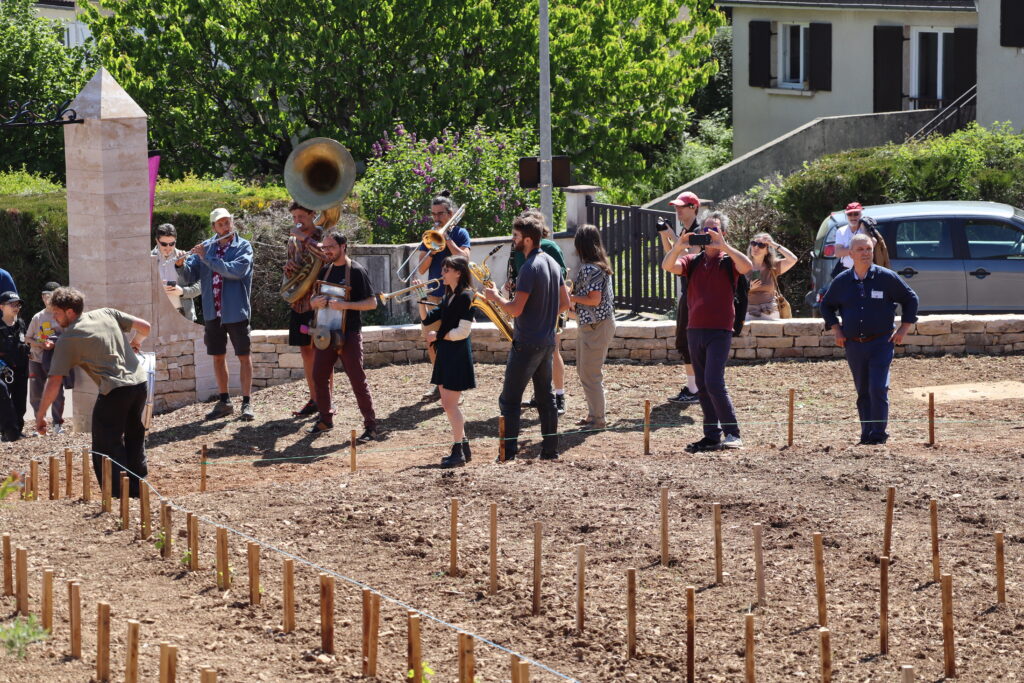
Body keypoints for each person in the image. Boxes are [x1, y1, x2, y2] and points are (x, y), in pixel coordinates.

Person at [35, 287, 151, 497]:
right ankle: (138, 490)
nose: (54, 317)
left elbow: (54, 381)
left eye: (57, 313)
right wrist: (136, 342)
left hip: (115, 391)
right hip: (140, 384)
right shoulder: (106, 313)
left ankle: (119, 495)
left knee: (106, 445)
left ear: (70, 312)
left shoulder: (69, 338)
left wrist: (41, 414)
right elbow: (145, 327)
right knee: (134, 435)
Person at [661, 211, 752, 452]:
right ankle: (712, 436)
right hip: (694, 330)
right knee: (702, 384)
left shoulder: (729, 260)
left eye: (714, 230)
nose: (708, 234)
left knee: (714, 382)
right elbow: (667, 265)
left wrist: (725, 246)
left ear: (723, 233)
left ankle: (733, 433)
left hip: (720, 330)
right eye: (705, 230)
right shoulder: (692, 261)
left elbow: (747, 266)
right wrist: (679, 246)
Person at [484, 212, 570, 461]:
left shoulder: (529, 267)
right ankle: (550, 451)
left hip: (526, 343)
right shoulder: (551, 263)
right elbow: (566, 303)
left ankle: (508, 454)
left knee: (509, 401)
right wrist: (544, 315)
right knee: (546, 398)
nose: (514, 240)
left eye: (516, 236)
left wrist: (495, 298)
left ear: (528, 240)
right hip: (546, 341)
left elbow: (514, 309)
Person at [820, 233, 919, 445]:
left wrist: (904, 328)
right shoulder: (842, 281)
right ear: (851, 254)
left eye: (868, 249)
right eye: (860, 249)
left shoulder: (886, 277)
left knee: (878, 387)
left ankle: (878, 434)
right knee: (863, 390)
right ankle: (866, 433)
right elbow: (826, 305)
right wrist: (836, 329)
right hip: (854, 344)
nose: (865, 253)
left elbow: (910, 299)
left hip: (881, 342)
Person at [180, 208, 255, 421]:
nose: (225, 227)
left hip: (235, 310)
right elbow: (189, 276)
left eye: (227, 222)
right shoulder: (207, 247)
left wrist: (207, 258)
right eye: (220, 224)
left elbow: (235, 271)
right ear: (214, 227)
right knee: (218, 355)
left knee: (244, 356)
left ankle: (247, 403)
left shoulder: (243, 247)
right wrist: (180, 264)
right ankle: (224, 402)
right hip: (213, 311)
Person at [308, 231, 379, 442]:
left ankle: (371, 427)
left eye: (331, 247)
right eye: (324, 247)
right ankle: (325, 419)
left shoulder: (357, 271)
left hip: (349, 333)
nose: (327, 251)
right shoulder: (325, 270)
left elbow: (372, 303)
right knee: (319, 376)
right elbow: (313, 297)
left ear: (343, 246)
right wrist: (314, 302)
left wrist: (345, 305)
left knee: (357, 379)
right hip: (325, 333)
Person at [508, 209, 570, 415]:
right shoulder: (518, 250)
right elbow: (519, 275)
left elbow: (560, 276)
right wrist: (512, 283)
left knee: (553, 351)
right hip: (528, 311)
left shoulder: (549, 247)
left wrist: (548, 312)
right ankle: (541, 394)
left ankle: (559, 395)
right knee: (537, 354)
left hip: (549, 306)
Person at [419, 256, 476, 466]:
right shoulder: (449, 295)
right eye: (442, 269)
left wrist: (438, 336)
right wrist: (420, 300)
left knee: (450, 405)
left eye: (446, 270)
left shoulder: (467, 296)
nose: (442, 273)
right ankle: (464, 446)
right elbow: (427, 319)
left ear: (458, 272)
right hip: (446, 353)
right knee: (447, 404)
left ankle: (458, 451)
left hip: (457, 355)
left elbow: (463, 332)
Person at [414, 193, 471, 376]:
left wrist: (447, 240)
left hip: (455, 296)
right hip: (434, 295)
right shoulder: (430, 236)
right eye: (433, 214)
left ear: (450, 213)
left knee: (453, 340)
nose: (436, 218)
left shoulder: (460, 233)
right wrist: (432, 251)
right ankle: (439, 379)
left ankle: (453, 380)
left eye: (440, 213)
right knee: (431, 339)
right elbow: (421, 269)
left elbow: (465, 260)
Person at [282, 201, 328, 417]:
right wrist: (289, 269)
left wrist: (304, 239)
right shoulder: (292, 240)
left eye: (301, 216)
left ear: (312, 214)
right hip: (300, 302)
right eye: (294, 217)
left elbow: (327, 255)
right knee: (306, 353)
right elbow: (292, 265)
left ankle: (327, 400)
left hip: (319, 301)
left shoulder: (323, 235)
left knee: (322, 351)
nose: (297, 221)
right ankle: (314, 399)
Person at [568, 225, 615, 429]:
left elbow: (594, 300)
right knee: (586, 372)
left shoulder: (590, 268)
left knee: (590, 374)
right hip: (595, 325)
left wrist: (570, 297)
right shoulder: (599, 266)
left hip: (595, 326)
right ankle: (593, 414)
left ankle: (598, 419)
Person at [660, 191, 703, 405]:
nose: (677, 210)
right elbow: (672, 256)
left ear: (693, 207)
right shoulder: (686, 231)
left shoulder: (699, 231)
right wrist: (664, 235)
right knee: (684, 341)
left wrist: (673, 235)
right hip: (689, 293)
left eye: (681, 206)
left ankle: (695, 389)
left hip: (697, 294)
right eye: (676, 206)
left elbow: (691, 256)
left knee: (687, 341)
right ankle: (695, 387)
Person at [26, 282, 70, 434]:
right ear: (42, 297)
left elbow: (70, 338)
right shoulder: (37, 317)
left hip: (56, 361)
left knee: (57, 394)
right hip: (37, 360)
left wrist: (56, 343)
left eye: (51, 296)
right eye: (45, 296)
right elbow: (27, 338)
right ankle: (40, 425)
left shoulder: (63, 316)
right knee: (36, 395)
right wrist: (41, 344)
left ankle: (57, 424)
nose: (48, 299)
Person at [151, 223, 201, 321]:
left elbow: (201, 286)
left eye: (172, 244)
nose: (168, 248)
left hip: (183, 316)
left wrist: (182, 291)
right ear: (156, 240)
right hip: (157, 316)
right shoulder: (147, 259)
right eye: (164, 244)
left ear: (175, 241)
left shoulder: (185, 257)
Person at [745, 233, 798, 320]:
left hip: (770, 310)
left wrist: (773, 244)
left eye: (761, 245)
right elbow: (734, 290)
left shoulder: (773, 266)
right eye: (753, 243)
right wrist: (748, 287)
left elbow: (793, 259)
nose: (756, 247)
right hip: (748, 311)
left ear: (767, 251)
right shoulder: (743, 265)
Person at [0, 291, 29, 442]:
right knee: (5, 402)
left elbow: (24, 342)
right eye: (11, 304)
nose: (16, 307)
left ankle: (17, 430)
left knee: (20, 402)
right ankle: (6, 431)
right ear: (1, 307)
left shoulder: (21, 324)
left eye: (17, 304)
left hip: (21, 369)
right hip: (4, 370)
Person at [833, 202, 890, 275]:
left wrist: (864, 229)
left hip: (866, 271)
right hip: (847, 270)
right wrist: (858, 249)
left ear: (860, 215)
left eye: (856, 214)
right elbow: (838, 253)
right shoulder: (841, 231)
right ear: (846, 216)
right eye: (850, 214)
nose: (853, 217)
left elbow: (872, 243)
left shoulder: (866, 229)